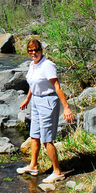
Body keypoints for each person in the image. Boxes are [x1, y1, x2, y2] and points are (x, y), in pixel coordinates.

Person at [17, 38, 74, 183]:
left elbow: (57, 87)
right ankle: (33, 166)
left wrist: (66, 108)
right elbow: (33, 84)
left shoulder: (48, 65)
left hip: (48, 101)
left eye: (36, 50)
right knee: (34, 135)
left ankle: (57, 171)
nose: (34, 53)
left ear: (41, 50)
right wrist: (28, 99)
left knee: (46, 139)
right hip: (36, 101)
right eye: (31, 50)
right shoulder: (32, 65)